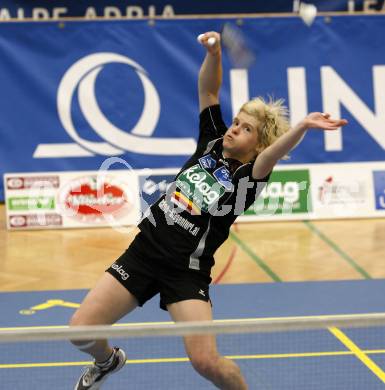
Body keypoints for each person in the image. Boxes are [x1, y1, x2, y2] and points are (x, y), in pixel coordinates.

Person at [70, 31, 348, 390]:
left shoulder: (248, 179)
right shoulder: (212, 141)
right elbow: (209, 92)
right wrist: (214, 53)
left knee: (206, 362)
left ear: (258, 143)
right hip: (144, 252)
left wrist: (302, 127)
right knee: (79, 331)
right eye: (236, 122)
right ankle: (107, 360)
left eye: (246, 129)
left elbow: (270, 157)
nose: (234, 129)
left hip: (186, 271)